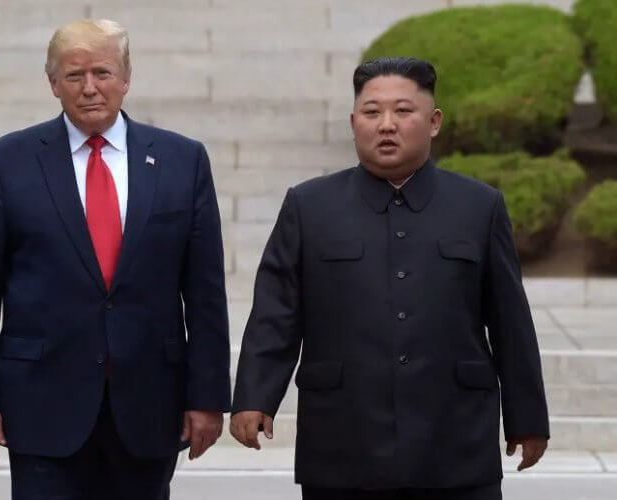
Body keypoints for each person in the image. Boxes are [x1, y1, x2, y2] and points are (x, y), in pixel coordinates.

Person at [229, 57, 549, 500]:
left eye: (403, 111)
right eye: (372, 112)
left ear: (434, 122)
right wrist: (254, 396)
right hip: (344, 442)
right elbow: (276, 313)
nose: (386, 125)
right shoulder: (310, 206)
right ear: (353, 121)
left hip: (455, 442)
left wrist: (527, 418)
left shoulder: (479, 206)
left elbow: (510, 321)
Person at [0, 19, 230, 500]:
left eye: (102, 73)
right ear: (52, 83)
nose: (89, 89)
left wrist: (207, 398)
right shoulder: (7, 161)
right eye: (73, 75)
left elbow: (205, 292)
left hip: (148, 402)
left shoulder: (181, 160)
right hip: (41, 402)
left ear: (126, 78)